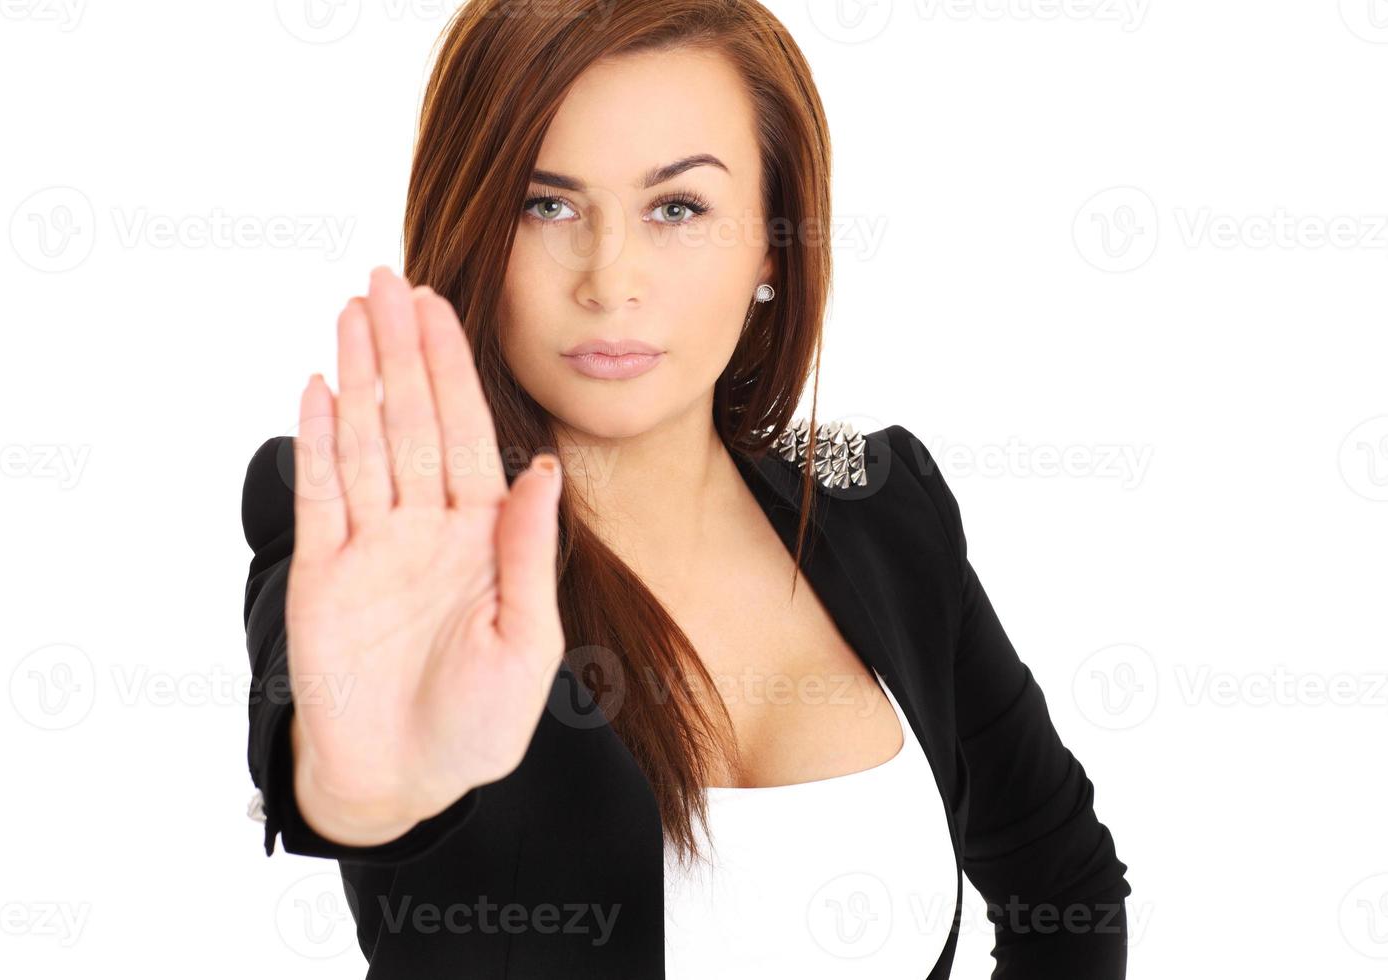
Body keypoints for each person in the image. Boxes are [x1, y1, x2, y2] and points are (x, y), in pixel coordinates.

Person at [239, 1, 1131, 976]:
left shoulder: (887, 504)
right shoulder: (383, 521)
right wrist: (364, 790)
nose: (610, 279)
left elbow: (1066, 887)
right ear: (472, 230)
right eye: (546, 204)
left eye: (677, 209)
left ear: (770, 250)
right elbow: (335, 761)